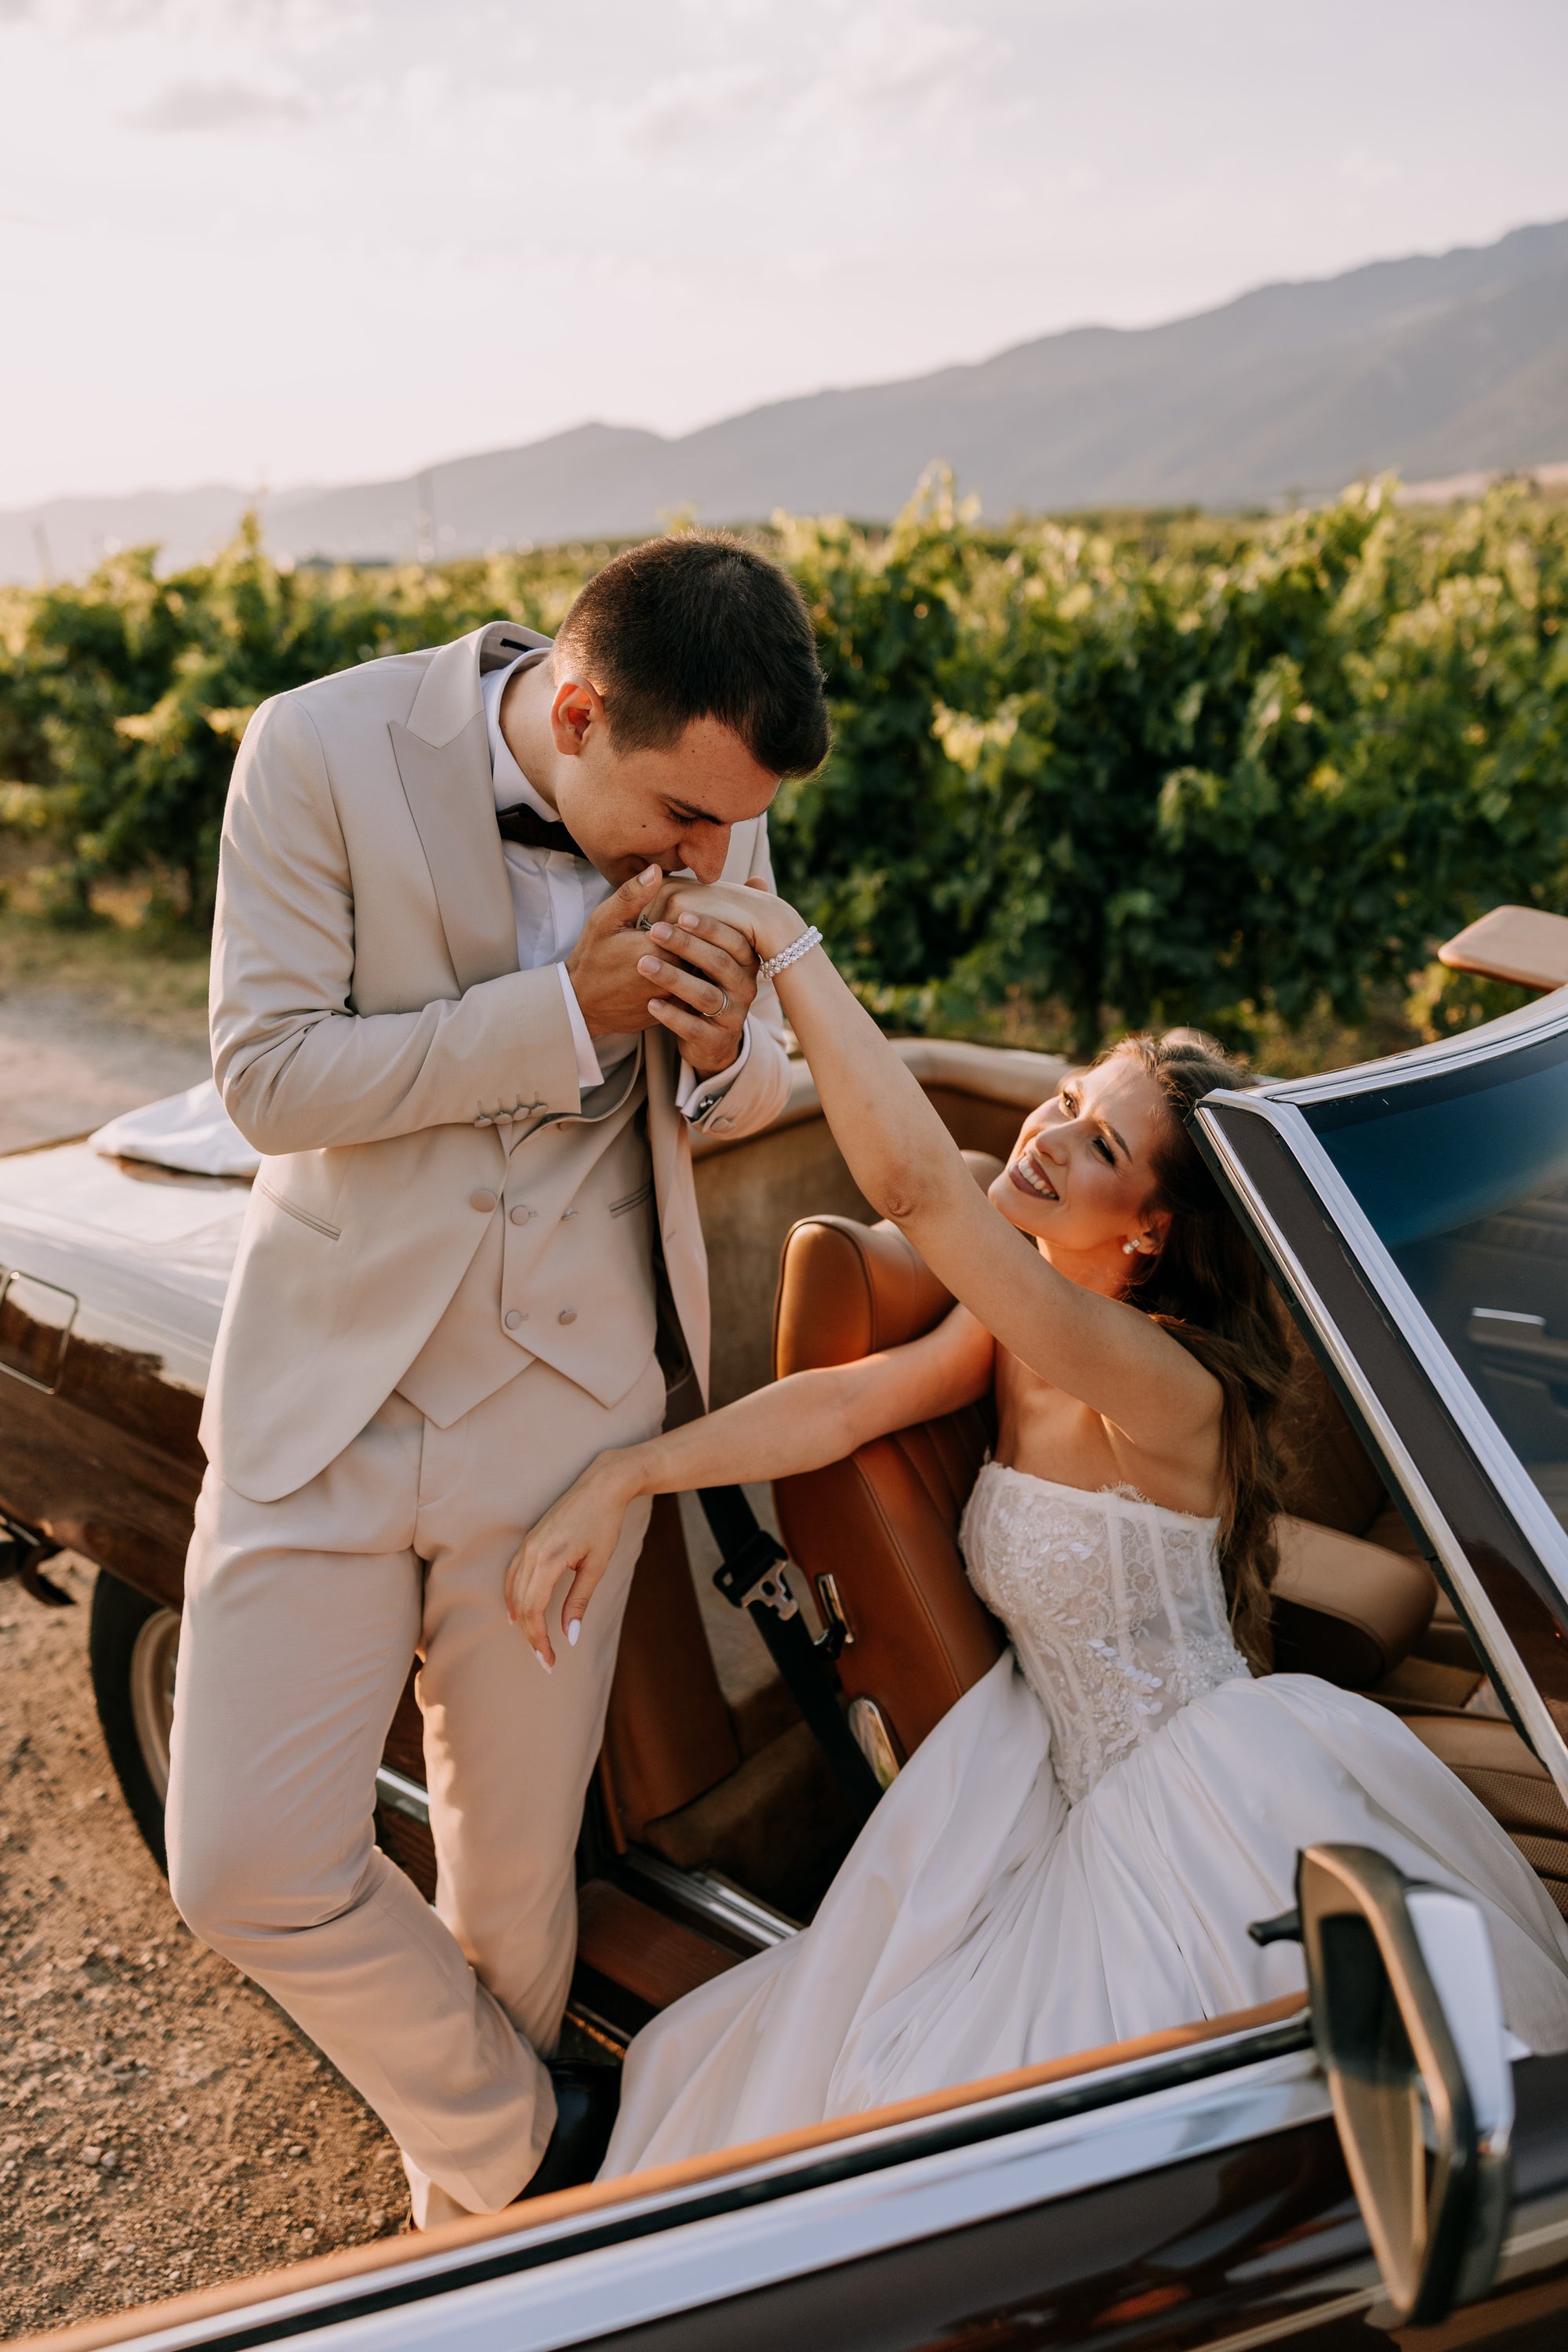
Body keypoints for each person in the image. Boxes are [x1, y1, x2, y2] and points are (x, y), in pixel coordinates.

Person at [510, 881, 1568, 2176]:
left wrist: (789, 947)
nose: (1052, 1137)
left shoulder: (1157, 1378)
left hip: (1197, 1803)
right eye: (1067, 1099)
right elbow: (844, 1405)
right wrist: (630, 1475)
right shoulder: (1017, 1320)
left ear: (1150, 1233)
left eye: (1101, 1145)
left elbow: (919, 1189)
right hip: (1059, 1779)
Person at [164, 537, 829, 2226]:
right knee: (241, 1861)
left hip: (564, 1422)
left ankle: (480, 2239)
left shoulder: (712, 782)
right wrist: (559, 1010)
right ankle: (537, 2148)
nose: (709, 856)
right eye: (683, 821)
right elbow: (267, 1077)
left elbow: (758, 1074)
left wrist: (721, 1051)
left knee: (516, 1892)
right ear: (579, 709)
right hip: (326, 1393)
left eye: (730, 830)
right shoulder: (315, 748)